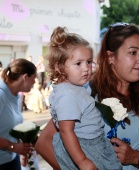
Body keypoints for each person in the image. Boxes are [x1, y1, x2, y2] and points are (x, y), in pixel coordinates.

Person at [36, 23, 139, 170]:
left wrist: (137, 157)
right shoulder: (85, 92)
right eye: (133, 52)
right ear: (111, 57)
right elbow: (44, 143)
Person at [41, 26, 122, 170]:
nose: (86, 68)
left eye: (89, 62)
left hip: (88, 142)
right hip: (85, 146)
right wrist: (82, 161)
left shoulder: (71, 88)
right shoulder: (68, 95)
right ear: (59, 67)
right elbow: (66, 131)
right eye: (78, 63)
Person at [0, 58, 37, 170]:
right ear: (25, 77)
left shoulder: (15, 95)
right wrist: (13, 147)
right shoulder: (1, 95)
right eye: (34, 79)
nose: (35, 83)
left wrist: (22, 147)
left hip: (11, 159)